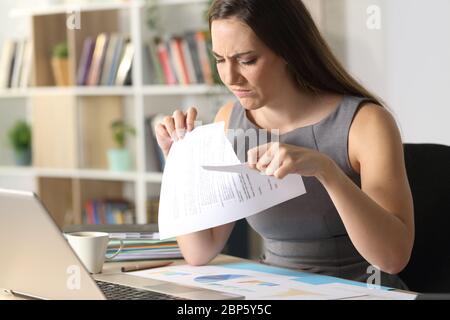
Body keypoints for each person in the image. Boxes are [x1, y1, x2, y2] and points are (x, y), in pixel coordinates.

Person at [155, 0, 414, 289]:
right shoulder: (230, 120)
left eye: (246, 60)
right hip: (273, 290)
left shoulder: (366, 123)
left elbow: (392, 259)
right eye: (219, 59)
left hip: (359, 289)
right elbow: (199, 251)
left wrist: (326, 170)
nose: (229, 78)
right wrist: (180, 160)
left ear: (289, 51)